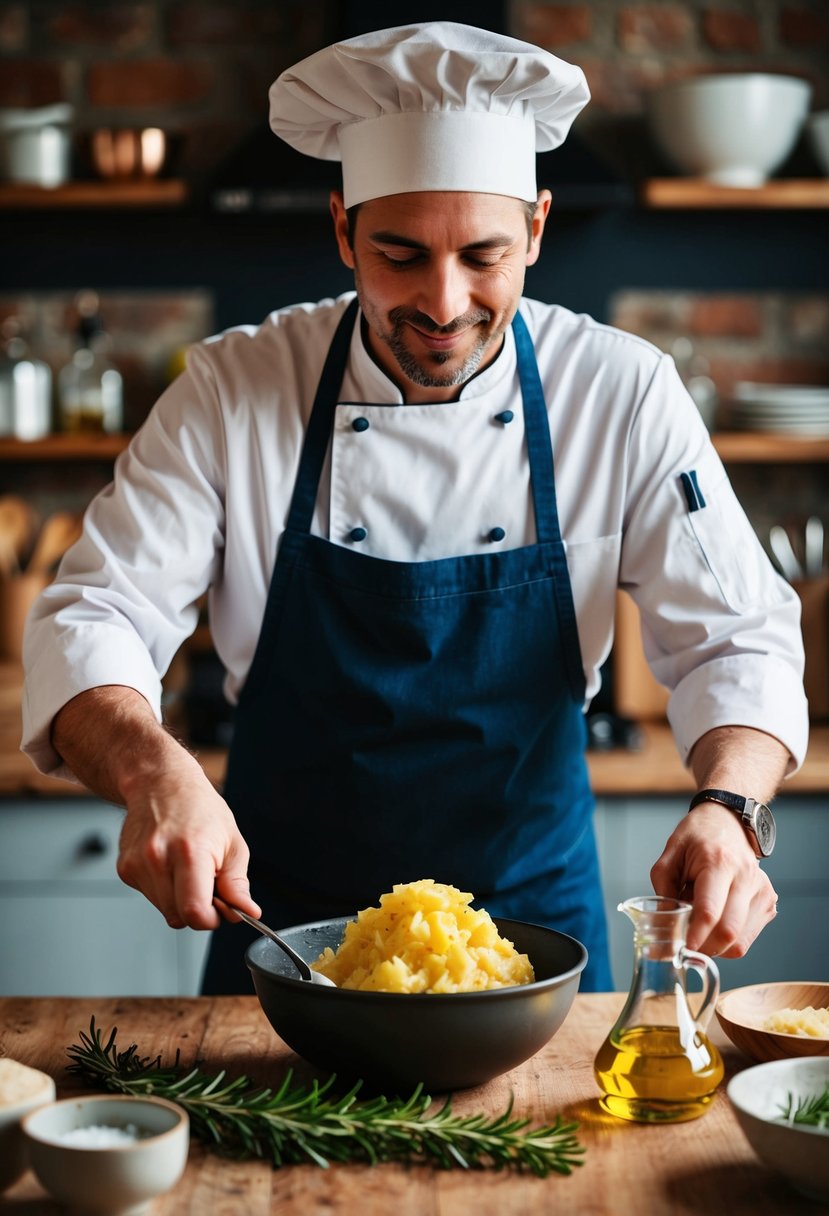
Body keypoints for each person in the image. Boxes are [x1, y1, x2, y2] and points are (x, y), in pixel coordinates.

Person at [22, 22, 807, 994]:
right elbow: (95, 613)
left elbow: (738, 638)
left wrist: (730, 806)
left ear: (537, 228)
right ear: (344, 230)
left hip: (534, 941)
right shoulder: (234, 388)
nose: (442, 303)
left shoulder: (620, 391)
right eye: (399, 253)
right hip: (287, 936)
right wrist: (152, 770)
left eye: (483, 255)